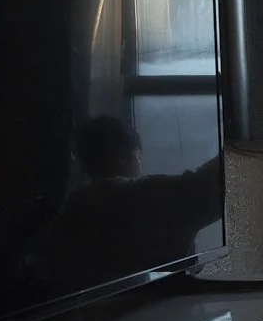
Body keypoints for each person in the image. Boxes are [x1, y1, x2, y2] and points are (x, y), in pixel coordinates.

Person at [36, 116, 223, 290]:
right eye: (138, 156)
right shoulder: (142, 199)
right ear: (121, 158)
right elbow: (208, 186)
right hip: (153, 315)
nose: (141, 164)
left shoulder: (68, 212)